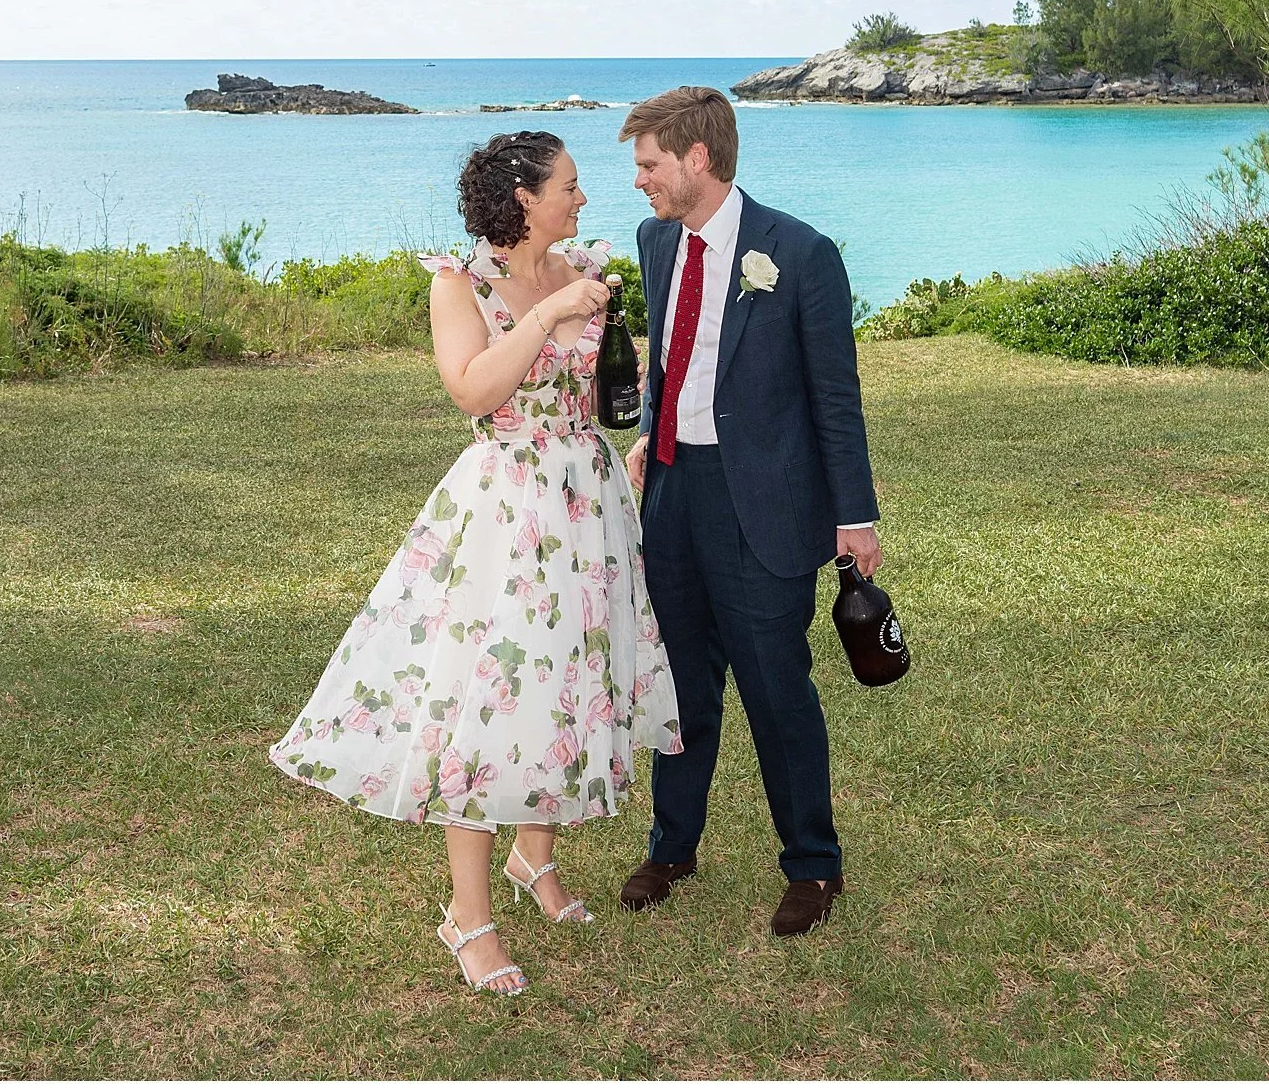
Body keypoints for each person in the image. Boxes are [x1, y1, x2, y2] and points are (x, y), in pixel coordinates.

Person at [269, 130, 682, 996]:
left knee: (569, 677)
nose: (581, 198)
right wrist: (544, 316)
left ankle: (537, 860)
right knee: (492, 695)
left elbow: (596, 388)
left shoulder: (584, 266)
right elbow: (473, 389)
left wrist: (620, 401)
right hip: (508, 503)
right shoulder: (461, 283)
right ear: (524, 197)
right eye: (569, 185)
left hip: (587, 498)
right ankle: (469, 912)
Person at [614, 86, 882, 938]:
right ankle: (672, 846)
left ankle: (813, 866)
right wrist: (650, 434)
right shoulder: (657, 241)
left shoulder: (798, 253)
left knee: (777, 691)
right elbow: (671, 352)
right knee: (681, 684)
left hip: (761, 502)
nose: (640, 182)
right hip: (673, 494)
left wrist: (855, 515)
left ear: (697, 159)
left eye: (649, 164)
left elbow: (835, 397)